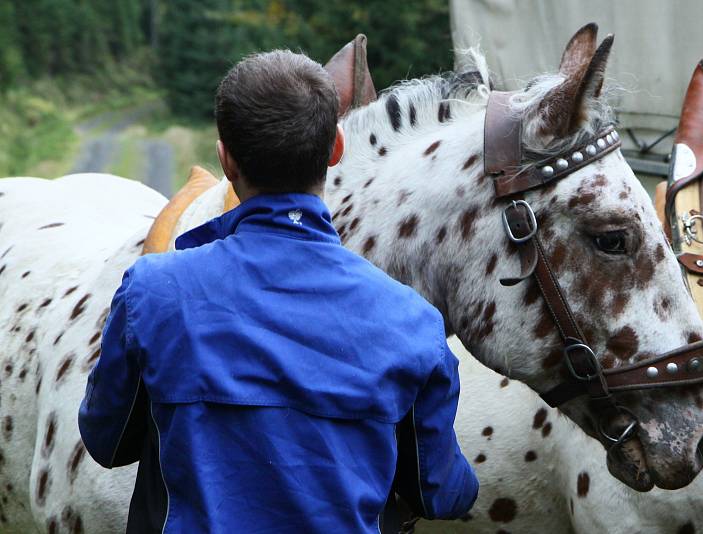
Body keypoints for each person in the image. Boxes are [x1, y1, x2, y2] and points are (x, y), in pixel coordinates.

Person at [78, 50, 478, 533]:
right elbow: (439, 492)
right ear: (335, 148)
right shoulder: (413, 323)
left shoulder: (153, 292)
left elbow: (107, 441)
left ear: (225, 158)